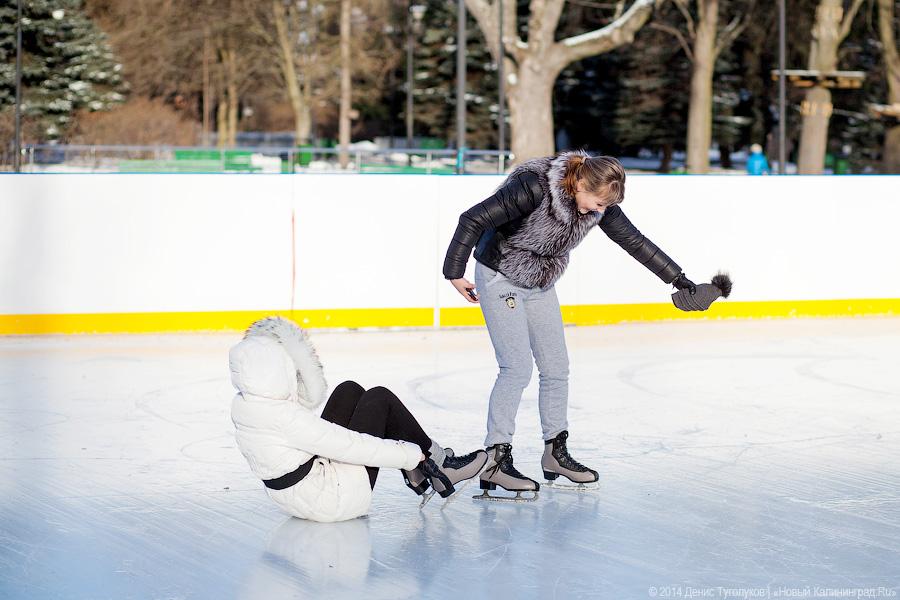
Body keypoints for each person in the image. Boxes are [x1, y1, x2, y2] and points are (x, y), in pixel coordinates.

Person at [443, 150, 700, 502]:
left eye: (603, 208)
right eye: (594, 203)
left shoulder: (599, 203)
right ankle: (495, 459)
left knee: (556, 368)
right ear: (579, 183)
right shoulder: (533, 187)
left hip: (540, 281)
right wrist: (453, 272)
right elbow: (472, 219)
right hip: (500, 275)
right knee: (516, 368)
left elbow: (634, 241)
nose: (597, 212)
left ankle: (554, 452)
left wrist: (679, 280)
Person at [228, 316, 488, 522]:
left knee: (349, 389)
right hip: (331, 499)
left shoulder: (246, 404)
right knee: (379, 398)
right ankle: (439, 464)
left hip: (300, 491)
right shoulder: (285, 417)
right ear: (279, 371)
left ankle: (419, 474)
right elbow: (351, 446)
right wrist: (410, 455)